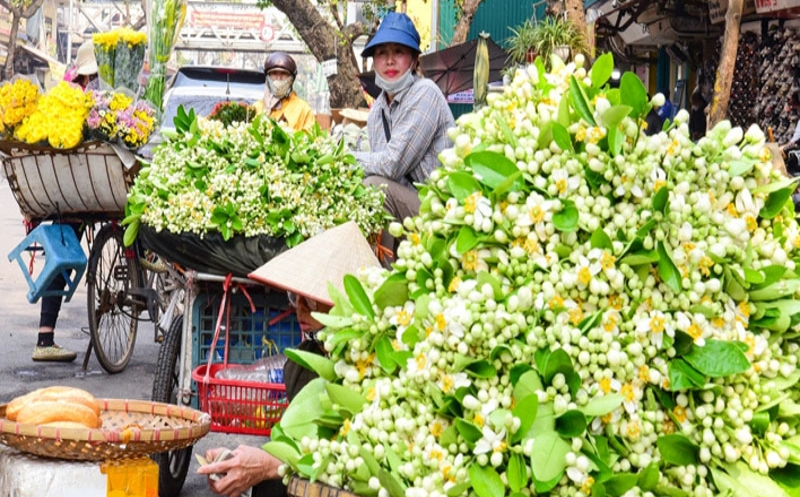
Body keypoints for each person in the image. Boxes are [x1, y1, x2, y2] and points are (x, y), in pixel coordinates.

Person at [197, 222, 381, 497]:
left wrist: (270, 465)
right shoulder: (303, 363)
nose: (300, 310)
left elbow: (355, 460)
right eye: (296, 298)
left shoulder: (379, 363)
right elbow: (299, 443)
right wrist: (236, 461)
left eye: (313, 301)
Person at [351, 12, 455, 257]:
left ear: (414, 59)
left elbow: (391, 165)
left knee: (376, 189)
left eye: (398, 52)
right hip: (405, 209)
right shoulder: (377, 110)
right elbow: (377, 168)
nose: (389, 61)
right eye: (381, 53)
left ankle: (383, 276)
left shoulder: (425, 93)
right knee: (365, 188)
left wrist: (345, 159)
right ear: (374, 61)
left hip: (438, 209)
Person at [253, 52, 315, 132]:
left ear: (292, 78)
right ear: (268, 77)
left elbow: (310, 139)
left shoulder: (303, 109)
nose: (278, 78)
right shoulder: (257, 107)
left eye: (283, 73)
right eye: (274, 73)